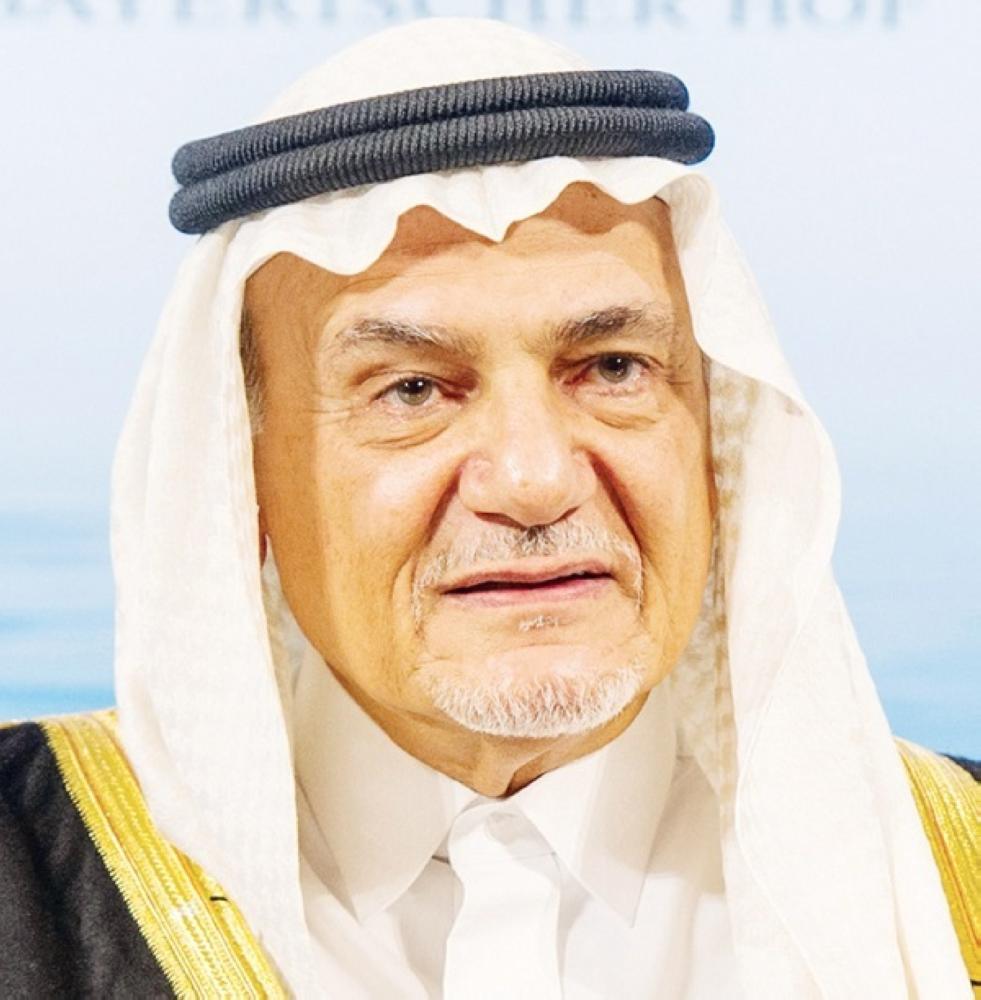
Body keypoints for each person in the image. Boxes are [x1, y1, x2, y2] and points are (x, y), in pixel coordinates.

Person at [1, 17, 977, 1000]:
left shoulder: (952, 865)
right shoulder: (27, 862)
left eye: (614, 368)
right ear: (242, 475)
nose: (534, 480)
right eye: (412, 390)